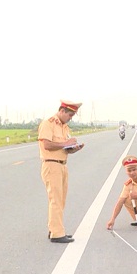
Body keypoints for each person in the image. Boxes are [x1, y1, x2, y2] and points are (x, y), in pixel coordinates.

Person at [37, 100, 85, 244]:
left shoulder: (64, 127)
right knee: (55, 200)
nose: (71, 118)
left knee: (60, 200)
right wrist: (65, 143)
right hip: (51, 165)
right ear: (62, 111)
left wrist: (73, 148)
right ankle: (57, 234)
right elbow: (47, 144)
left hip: (62, 165)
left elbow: (62, 147)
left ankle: (54, 229)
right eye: (69, 115)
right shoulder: (48, 123)